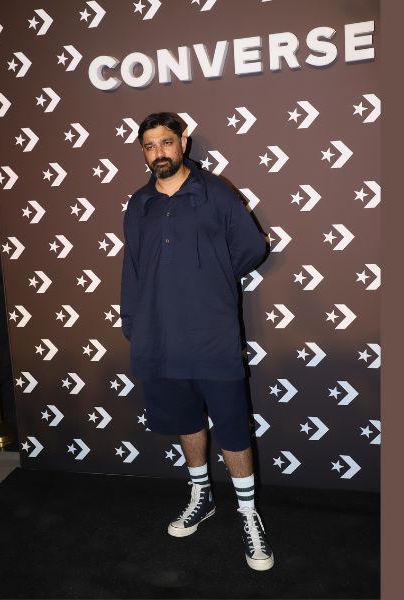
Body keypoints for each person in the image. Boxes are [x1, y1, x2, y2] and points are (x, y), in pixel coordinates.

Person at [120, 112, 273, 571]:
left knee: (231, 425)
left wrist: (212, 276)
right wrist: (134, 324)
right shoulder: (138, 204)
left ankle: (248, 513)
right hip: (159, 335)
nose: (158, 152)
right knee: (186, 419)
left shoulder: (216, 193)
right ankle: (201, 496)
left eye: (166, 142)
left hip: (212, 334)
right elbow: (133, 268)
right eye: (149, 146)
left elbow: (253, 248)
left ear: (183, 142)